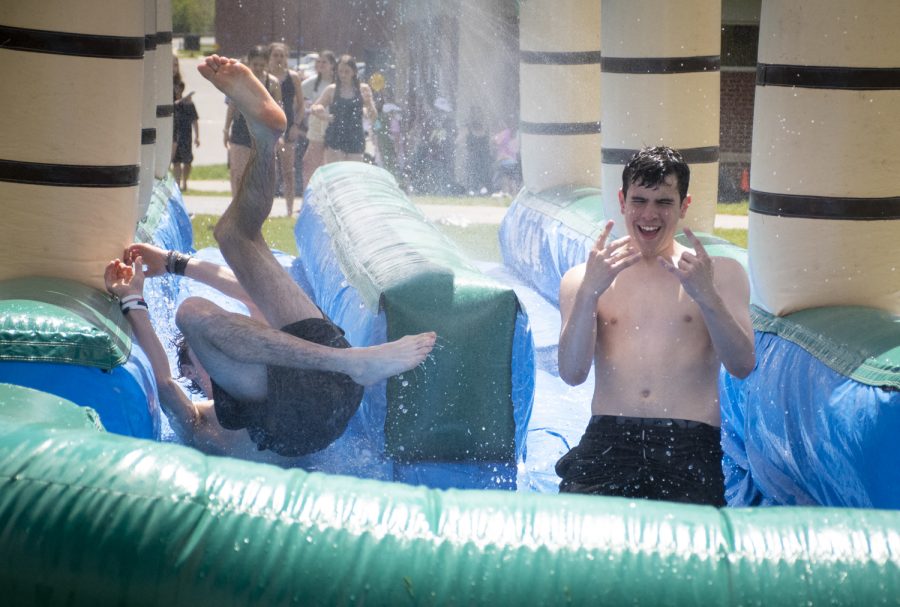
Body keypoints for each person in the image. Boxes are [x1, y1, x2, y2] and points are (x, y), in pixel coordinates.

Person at [105, 54, 437, 463]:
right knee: (190, 312)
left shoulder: (269, 352)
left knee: (235, 235)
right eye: (206, 355)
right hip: (307, 411)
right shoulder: (202, 423)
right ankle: (350, 361)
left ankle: (266, 138)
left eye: (210, 351)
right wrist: (132, 302)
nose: (217, 358)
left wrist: (175, 262)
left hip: (334, 375)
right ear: (191, 375)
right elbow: (163, 379)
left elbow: (245, 292)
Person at [555, 146, 755, 506]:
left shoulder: (720, 274)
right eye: (639, 200)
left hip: (689, 444)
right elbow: (572, 373)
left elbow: (742, 365)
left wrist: (707, 297)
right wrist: (589, 294)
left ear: (684, 205)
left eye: (663, 201)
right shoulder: (584, 279)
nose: (649, 214)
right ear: (622, 200)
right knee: (572, 550)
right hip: (608, 438)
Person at [223, 46, 282, 197]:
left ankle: (253, 204)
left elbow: (278, 110)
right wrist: (226, 129)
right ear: (249, 63)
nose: (258, 68)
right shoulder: (241, 81)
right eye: (255, 64)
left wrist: (278, 134)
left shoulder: (273, 82)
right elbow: (232, 104)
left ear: (267, 64)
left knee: (257, 174)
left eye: (262, 65)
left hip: (262, 131)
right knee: (237, 172)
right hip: (241, 128)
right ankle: (236, 204)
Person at [311, 54, 377, 164]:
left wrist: (369, 103)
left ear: (354, 72)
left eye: (347, 71)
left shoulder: (363, 89)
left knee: (353, 174)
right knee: (335, 174)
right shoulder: (332, 89)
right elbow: (315, 107)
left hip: (355, 137)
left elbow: (373, 117)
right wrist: (321, 113)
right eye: (340, 71)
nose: (343, 75)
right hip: (335, 137)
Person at [268, 42, 305, 215]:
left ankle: (289, 211)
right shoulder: (265, 77)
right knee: (269, 171)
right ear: (269, 57)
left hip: (288, 127)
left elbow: (301, 106)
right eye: (275, 55)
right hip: (268, 127)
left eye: (282, 55)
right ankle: (265, 210)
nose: (279, 59)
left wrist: (296, 125)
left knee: (288, 171)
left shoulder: (293, 77)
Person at [301, 51, 337, 190]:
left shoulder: (336, 83)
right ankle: (307, 198)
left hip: (332, 123)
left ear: (332, 65)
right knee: (309, 163)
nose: (320, 65)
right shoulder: (312, 82)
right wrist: (306, 106)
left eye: (324, 62)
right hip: (316, 124)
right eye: (319, 62)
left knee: (327, 164)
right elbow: (299, 97)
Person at [171, 79, 200, 191]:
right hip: (175, 136)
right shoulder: (172, 103)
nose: (177, 90)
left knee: (187, 161)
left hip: (186, 135)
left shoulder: (189, 104)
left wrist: (197, 137)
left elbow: (195, 120)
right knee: (176, 162)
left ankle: (185, 181)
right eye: (176, 88)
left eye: (179, 88)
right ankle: (177, 184)